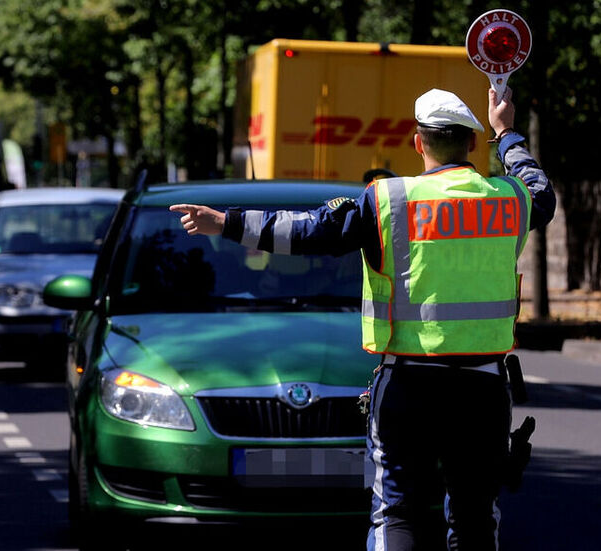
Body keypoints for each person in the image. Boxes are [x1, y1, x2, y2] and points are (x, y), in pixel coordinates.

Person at [170, 87, 555, 551]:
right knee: (474, 517)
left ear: (419, 142)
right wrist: (507, 131)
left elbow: (309, 232)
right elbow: (541, 189)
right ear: (472, 144)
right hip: (482, 389)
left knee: (398, 511)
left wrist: (226, 223)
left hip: (409, 386)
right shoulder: (509, 200)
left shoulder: (388, 200)